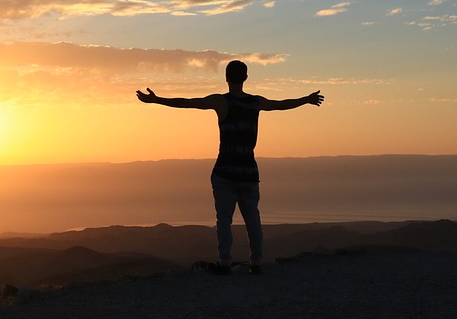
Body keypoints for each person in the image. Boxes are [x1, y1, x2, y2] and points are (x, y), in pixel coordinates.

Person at [136, 60, 323, 275]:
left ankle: (225, 263)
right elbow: (281, 104)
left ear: (226, 77)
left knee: (224, 219)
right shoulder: (256, 102)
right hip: (249, 172)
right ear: (245, 78)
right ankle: (256, 263)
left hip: (224, 170)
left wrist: (157, 100)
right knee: (252, 218)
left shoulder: (220, 101)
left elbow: (188, 102)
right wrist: (306, 99)